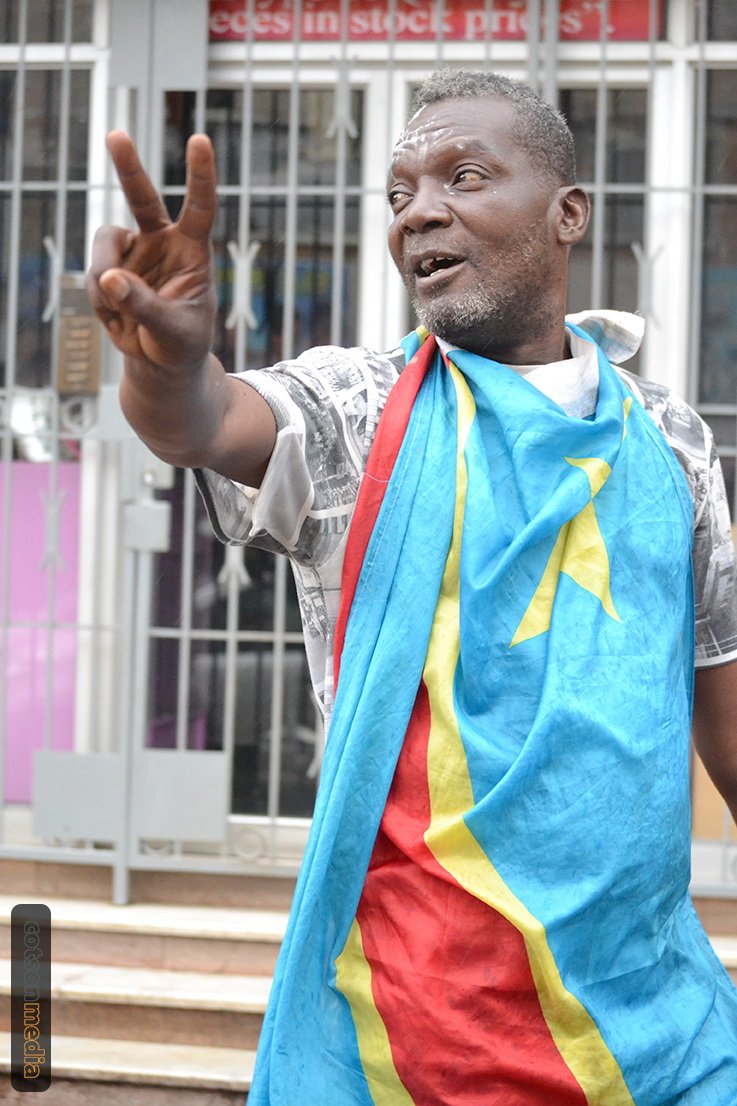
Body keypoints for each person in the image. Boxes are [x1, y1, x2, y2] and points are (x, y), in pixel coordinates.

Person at [88, 69, 737, 1106]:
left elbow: (722, 721)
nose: (419, 211)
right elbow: (207, 421)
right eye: (398, 194)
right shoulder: (358, 410)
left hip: (654, 1036)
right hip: (408, 1040)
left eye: (463, 175)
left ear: (566, 213)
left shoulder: (668, 443)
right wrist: (166, 367)